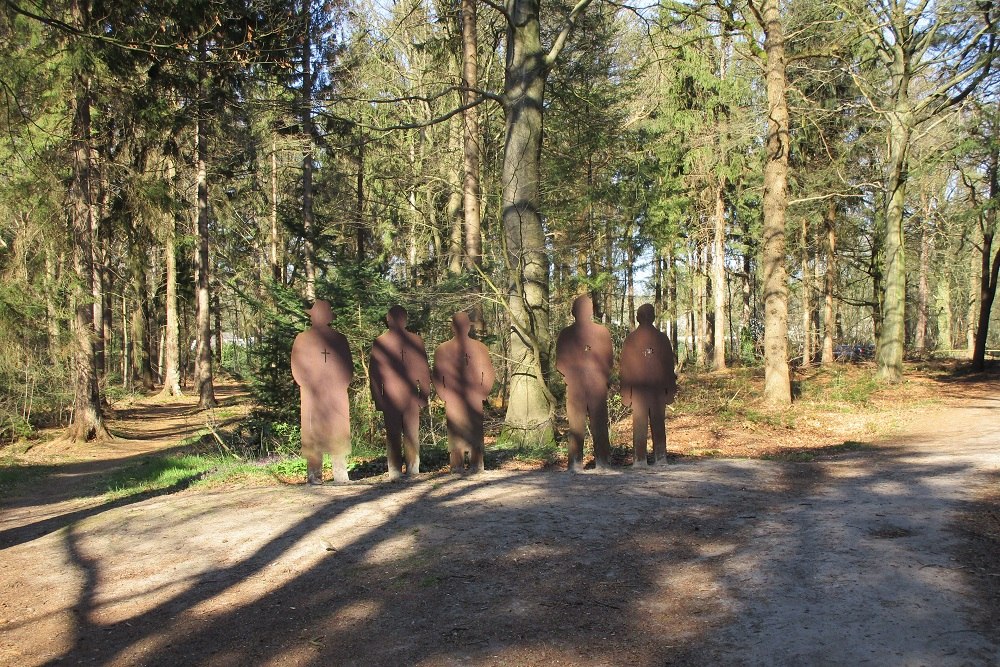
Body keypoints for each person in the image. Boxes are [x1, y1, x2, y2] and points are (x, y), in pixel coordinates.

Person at [291, 300, 353, 484]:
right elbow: (297, 367)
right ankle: (314, 473)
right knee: (312, 430)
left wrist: (341, 386)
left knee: (338, 429)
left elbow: (347, 367)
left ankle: (340, 473)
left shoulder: (340, 339)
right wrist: (307, 386)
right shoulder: (302, 339)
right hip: (312, 394)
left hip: (336, 394)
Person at [369, 305, 432, 478]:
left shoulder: (415, 341)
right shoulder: (380, 342)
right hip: (391, 397)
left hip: (407, 397)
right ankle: (397, 470)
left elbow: (423, 370)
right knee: (394, 434)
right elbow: (375, 373)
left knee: (409, 434)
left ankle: (410, 469)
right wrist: (378, 398)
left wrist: (424, 395)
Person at [555, 295, 614, 471]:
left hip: (583, 386)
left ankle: (580, 463)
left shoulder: (570, 333)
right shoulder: (599, 332)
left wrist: (570, 377)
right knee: (587, 425)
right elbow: (561, 362)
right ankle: (595, 463)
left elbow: (560, 363)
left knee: (583, 425)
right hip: (584, 386)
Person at [433, 312, 496, 473]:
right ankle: (457, 465)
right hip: (453, 397)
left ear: (469, 327)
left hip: (474, 396)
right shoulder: (443, 349)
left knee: (475, 430)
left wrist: (483, 393)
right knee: (455, 429)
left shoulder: (480, 348)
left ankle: (477, 463)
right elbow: (438, 375)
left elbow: (488, 372)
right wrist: (444, 394)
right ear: (453, 327)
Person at [620, 303, 677, 467]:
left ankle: (641, 459)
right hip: (656, 391)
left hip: (641, 392)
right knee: (656, 423)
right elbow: (668, 367)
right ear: (653, 317)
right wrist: (670, 390)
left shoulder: (632, 339)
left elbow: (624, 369)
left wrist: (626, 393)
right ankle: (659, 458)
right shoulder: (661, 338)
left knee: (641, 424)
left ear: (638, 318)